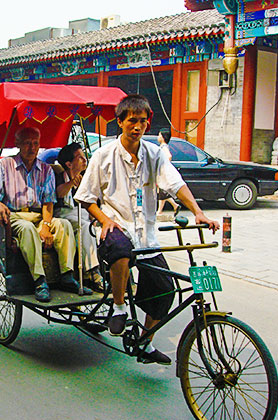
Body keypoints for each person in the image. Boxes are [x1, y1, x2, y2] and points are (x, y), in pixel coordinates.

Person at [74, 94, 219, 365]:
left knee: (166, 290)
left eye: (142, 121)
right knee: (120, 249)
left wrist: (198, 212)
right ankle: (118, 308)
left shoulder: (154, 155)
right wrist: (105, 219)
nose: (137, 127)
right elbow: (85, 198)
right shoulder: (103, 155)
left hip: (146, 235)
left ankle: (145, 342)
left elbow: (176, 184)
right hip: (113, 227)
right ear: (120, 122)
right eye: (132, 121)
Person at [0, 127, 92, 303]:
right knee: (28, 228)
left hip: (39, 215)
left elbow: (48, 202)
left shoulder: (45, 169)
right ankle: (39, 280)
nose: (32, 148)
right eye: (27, 143)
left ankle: (67, 275)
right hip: (14, 216)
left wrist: (46, 226)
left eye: (36, 143)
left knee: (64, 225)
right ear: (18, 144)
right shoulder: (5, 165)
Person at [55, 143, 103, 290]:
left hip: (82, 214)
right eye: (80, 157)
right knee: (85, 227)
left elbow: (93, 201)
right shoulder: (58, 176)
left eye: (84, 157)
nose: (84, 160)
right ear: (69, 164)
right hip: (63, 213)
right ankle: (93, 272)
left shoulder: (87, 177)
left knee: (101, 230)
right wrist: (71, 183)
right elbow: (58, 193)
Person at [156, 129, 180, 216]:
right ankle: (161, 210)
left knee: (163, 191)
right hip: (162, 172)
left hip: (162, 172)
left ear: (162, 137)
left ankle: (174, 205)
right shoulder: (163, 146)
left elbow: (169, 156)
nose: (158, 137)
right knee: (162, 191)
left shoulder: (163, 147)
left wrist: (164, 165)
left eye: (159, 135)